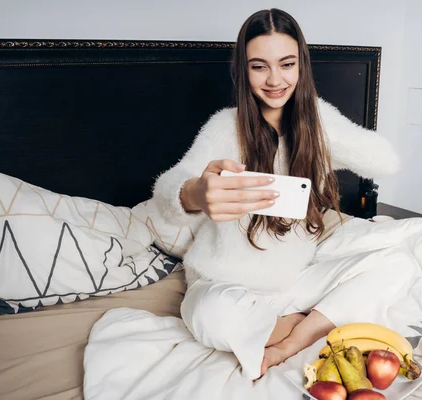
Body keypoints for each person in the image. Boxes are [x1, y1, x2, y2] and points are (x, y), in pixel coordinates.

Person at [152, 8, 400, 380]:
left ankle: (290, 337)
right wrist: (196, 192)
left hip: (295, 282)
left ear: (302, 65)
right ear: (243, 71)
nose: (274, 80)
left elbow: (386, 162)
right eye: (259, 66)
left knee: (398, 264)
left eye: (286, 64)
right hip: (224, 284)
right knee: (212, 318)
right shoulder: (225, 126)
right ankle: (311, 323)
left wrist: (314, 121)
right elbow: (166, 194)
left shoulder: (318, 120)